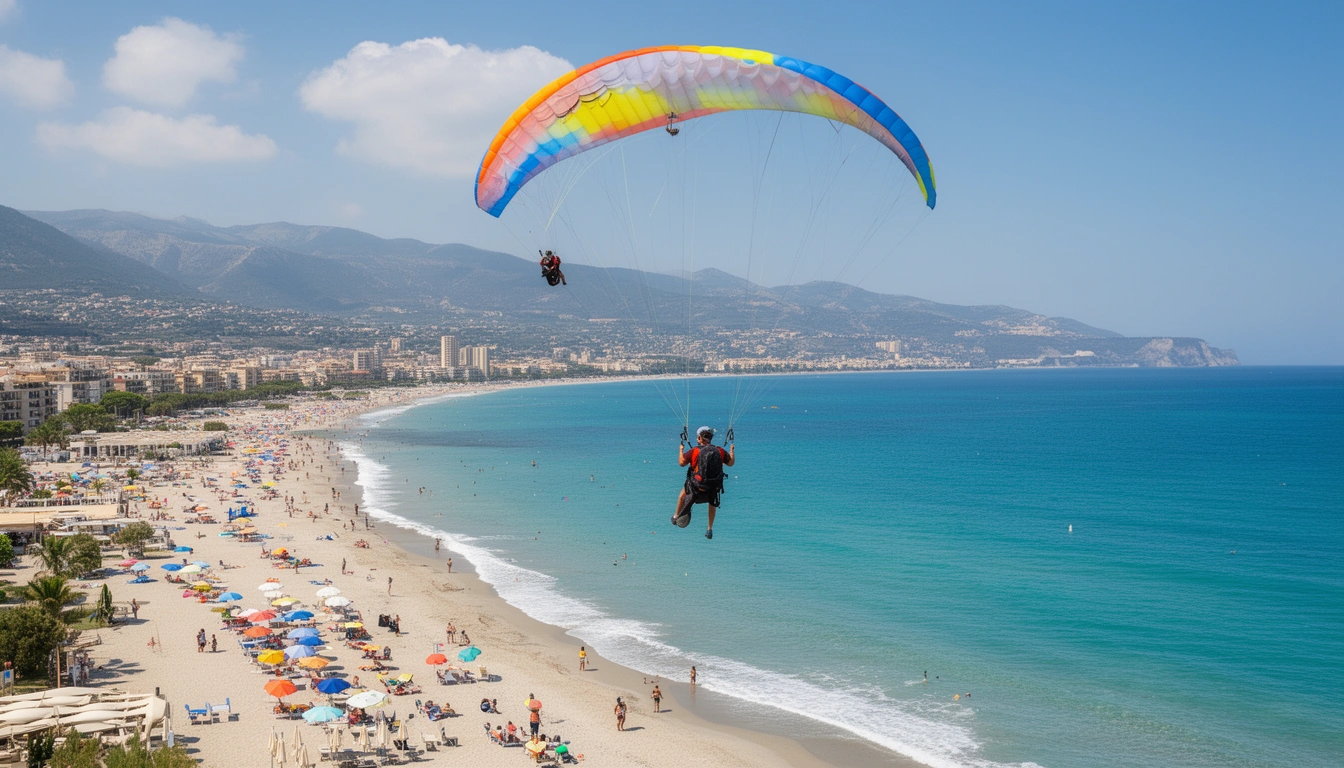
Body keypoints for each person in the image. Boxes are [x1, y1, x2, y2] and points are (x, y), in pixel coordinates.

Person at [673, 426, 735, 539]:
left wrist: (681, 450)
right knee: (713, 502)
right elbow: (730, 463)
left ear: (699, 438)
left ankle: (676, 515)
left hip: (697, 487)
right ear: (711, 438)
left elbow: (682, 463)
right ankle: (709, 528)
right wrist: (731, 450)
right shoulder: (719, 450)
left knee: (682, 493)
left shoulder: (695, 451)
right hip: (712, 488)